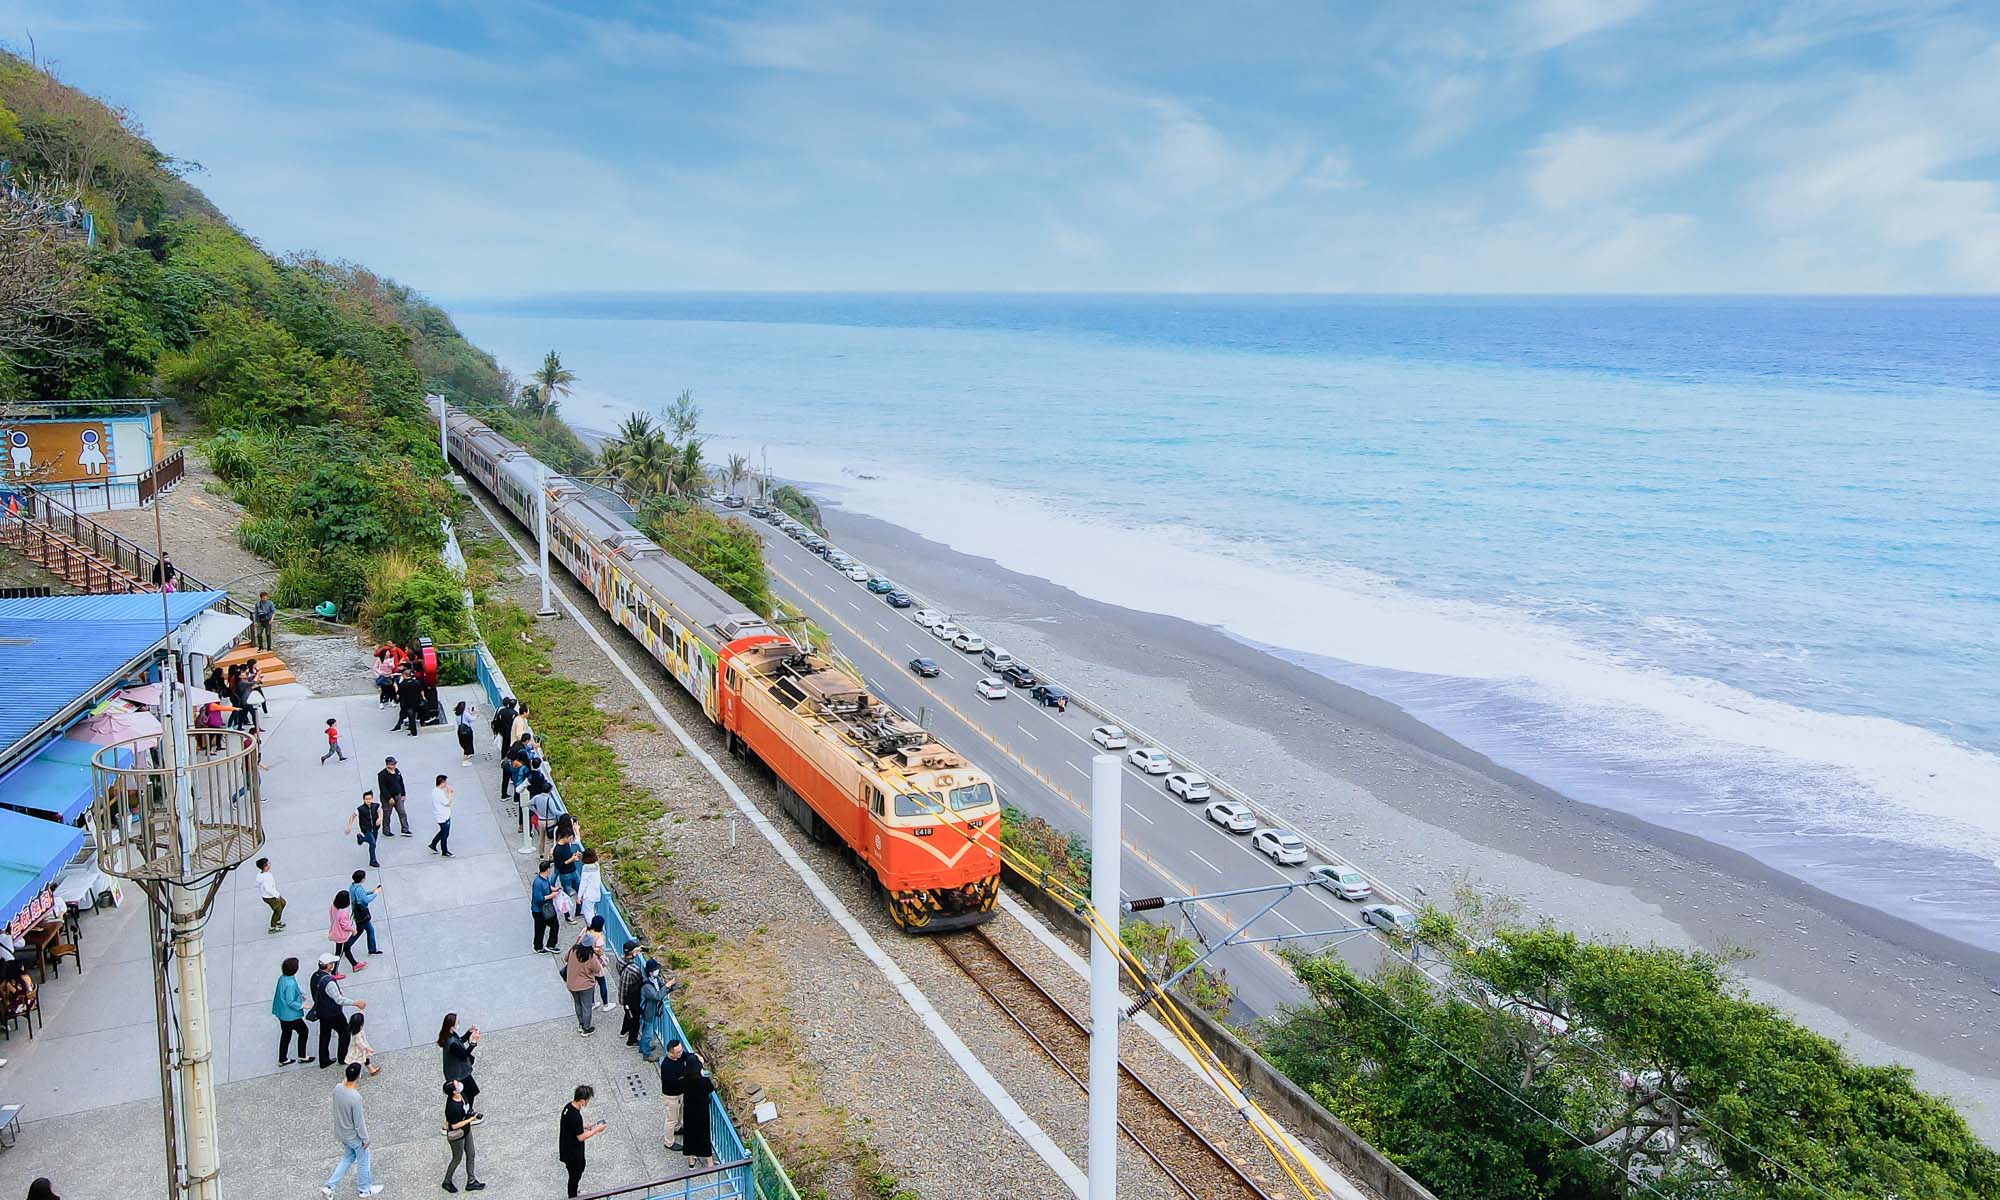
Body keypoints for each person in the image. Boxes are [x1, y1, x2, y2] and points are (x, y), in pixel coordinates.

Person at [324, 1062, 383, 1198]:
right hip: (354, 1137)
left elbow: (344, 1082)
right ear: (359, 1076)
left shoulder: (337, 1089)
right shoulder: (355, 1098)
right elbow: (359, 1123)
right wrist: (365, 1139)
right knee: (363, 1161)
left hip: (342, 1133)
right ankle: (364, 1189)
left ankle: (330, 1186)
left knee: (348, 1157)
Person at [311, 954, 365, 1068]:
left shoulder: (315, 976)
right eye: (331, 963)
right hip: (333, 1013)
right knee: (344, 1034)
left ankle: (324, 1060)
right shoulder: (329, 982)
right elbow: (339, 1000)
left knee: (325, 1035)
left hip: (321, 1011)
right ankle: (342, 1057)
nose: (333, 965)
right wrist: (355, 1003)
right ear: (328, 965)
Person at [558, 1084, 607, 1198]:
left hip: (567, 1149)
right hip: (573, 1153)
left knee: (576, 1173)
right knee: (575, 1176)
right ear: (582, 1101)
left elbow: (573, 1126)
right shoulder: (575, 1116)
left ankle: (574, 1192)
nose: (587, 1102)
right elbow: (580, 1137)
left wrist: (586, 1126)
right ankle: (573, 1196)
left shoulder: (568, 1107)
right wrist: (596, 1129)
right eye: (587, 1100)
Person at [441, 1078, 485, 1192]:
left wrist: (470, 1114)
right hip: (457, 1135)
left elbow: (466, 1108)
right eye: (456, 1085)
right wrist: (470, 1119)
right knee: (457, 1158)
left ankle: (471, 1181)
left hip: (466, 1130)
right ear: (453, 1092)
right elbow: (455, 1125)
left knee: (471, 1154)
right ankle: (447, 1181)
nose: (459, 1084)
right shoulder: (452, 1107)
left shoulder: (461, 1095)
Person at [438, 1013, 481, 1109]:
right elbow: (463, 1055)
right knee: (471, 1091)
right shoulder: (451, 1043)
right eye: (457, 1022)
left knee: (468, 1092)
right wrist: (473, 1043)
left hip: (456, 1071)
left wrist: (469, 1032)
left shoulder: (449, 1035)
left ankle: (468, 1110)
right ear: (452, 1026)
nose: (458, 1024)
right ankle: (468, 1112)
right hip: (459, 1073)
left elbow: (460, 1041)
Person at [681, 1052, 716, 1170]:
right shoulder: (704, 1081)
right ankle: (710, 1163)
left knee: (690, 1135)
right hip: (702, 1112)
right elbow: (711, 1089)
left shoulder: (685, 1080)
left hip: (689, 1112)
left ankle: (691, 1161)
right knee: (704, 1136)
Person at [272, 956, 310, 1066]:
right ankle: (302, 1056)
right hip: (290, 1015)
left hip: (281, 1012)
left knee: (286, 1034)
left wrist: (299, 994)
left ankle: (283, 1058)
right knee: (304, 1031)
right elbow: (290, 1001)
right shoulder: (291, 983)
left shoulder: (282, 978)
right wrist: (302, 1005)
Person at [564, 940, 603, 1036]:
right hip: (586, 986)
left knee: (577, 1004)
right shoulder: (591, 956)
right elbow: (597, 969)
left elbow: (565, 958)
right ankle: (586, 1028)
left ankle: (581, 1024)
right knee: (586, 1006)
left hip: (571, 983)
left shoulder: (573, 950)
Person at [658, 1038, 691, 1150]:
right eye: (678, 1052)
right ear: (671, 1052)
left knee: (681, 1113)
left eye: (681, 1050)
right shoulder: (666, 1066)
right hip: (671, 1096)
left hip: (680, 1094)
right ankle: (669, 1142)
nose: (681, 1053)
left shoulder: (680, 1056)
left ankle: (678, 1128)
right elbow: (674, 1083)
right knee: (671, 1119)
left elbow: (688, 1056)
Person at [576, 916, 613, 1011]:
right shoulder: (598, 936)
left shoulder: (585, 930)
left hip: (583, 961)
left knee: (590, 982)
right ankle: (606, 1004)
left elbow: (577, 942)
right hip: (594, 962)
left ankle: (592, 1002)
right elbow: (600, 951)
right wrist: (603, 958)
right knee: (602, 982)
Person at [637, 961, 671, 1062]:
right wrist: (666, 987)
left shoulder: (654, 980)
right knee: (648, 1033)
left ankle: (643, 1047)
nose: (657, 971)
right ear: (650, 972)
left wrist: (669, 987)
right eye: (655, 969)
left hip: (651, 1011)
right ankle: (646, 1054)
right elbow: (657, 996)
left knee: (647, 1032)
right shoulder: (647, 986)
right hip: (648, 1013)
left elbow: (660, 987)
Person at [348, 870, 383, 956]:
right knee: (369, 930)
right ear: (362, 879)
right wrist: (375, 894)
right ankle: (372, 949)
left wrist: (372, 891)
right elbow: (366, 900)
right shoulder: (359, 889)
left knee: (361, 931)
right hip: (362, 914)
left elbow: (362, 895)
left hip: (357, 913)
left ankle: (347, 946)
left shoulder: (353, 886)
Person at [328, 891, 364, 974]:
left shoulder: (333, 907)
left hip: (336, 932)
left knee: (347, 949)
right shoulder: (343, 913)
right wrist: (353, 930)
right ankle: (334, 972)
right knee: (338, 954)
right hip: (341, 936)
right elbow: (345, 926)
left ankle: (355, 964)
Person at [617, 939, 646, 1045]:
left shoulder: (620, 960)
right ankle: (632, 1040)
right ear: (633, 953)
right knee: (635, 1019)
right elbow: (641, 980)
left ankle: (624, 1030)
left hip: (623, 995)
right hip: (632, 998)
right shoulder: (634, 969)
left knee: (627, 1013)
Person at [375, 757, 410, 837]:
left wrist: (403, 794)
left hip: (398, 796)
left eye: (395, 764)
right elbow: (383, 788)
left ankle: (405, 829)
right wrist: (389, 798)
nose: (394, 765)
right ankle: (386, 831)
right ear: (388, 764)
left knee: (402, 812)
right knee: (387, 814)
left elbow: (401, 783)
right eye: (393, 764)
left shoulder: (397, 771)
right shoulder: (382, 775)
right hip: (387, 799)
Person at [345, 791, 382, 869]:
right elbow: (352, 816)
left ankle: (361, 839)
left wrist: (380, 818)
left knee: (373, 843)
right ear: (363, 799)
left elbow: (380, 811)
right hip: (366, 829)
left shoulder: (376, 806)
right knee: (373, 844)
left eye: (369, 799)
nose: (368, 801)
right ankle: (373, 860)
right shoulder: (360, 809)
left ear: (372, 799)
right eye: (366, 799)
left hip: (375, 828)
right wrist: (349, 826)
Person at [530, 861, 560, 954]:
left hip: (547, 908)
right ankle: (538, 947)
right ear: (547, 869)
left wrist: (553, 889)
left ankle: (551, 944)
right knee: (540, 929)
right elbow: (539, 899)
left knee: (555, 925)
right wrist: (552, 895)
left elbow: (547, 886)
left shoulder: (545, 878)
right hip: (539, 910)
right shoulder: (537, 883)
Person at [552, 829, 582, 918]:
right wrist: (571, 860)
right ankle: (567, 916)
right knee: (566, 895)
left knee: (580, 891)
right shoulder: (557, 850)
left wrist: (574, 856)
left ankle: (578, 911)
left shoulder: (566, 845)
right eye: (570, 838)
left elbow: (568, 856)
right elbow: (559, 865)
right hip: (565, 875)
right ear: (565, 837)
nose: (571, 840)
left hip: (573, 871)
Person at [344, 1010, 380, 1077]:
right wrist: (368, 1048)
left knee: (365, 1059)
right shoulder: (357, 1034)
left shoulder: (355, 1030)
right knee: (358, 1062)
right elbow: (360, 1043)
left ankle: (372, 1070)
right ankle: (356, 1074)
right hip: (358, 1051)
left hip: (359, 1050)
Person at [256, 857, 286, 932]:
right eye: (268, 863)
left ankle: (277, 921)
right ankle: (272, 927)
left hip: (271, 895)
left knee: (283, 903)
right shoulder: (266, 877)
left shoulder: (263, 874)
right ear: (265, 867)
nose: (270, 864)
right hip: (270, 897)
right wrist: (276, 895)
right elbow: (268, 889)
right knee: (277, 909)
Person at [428, 774, 454, 856]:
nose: (446, 784)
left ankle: (433, 844)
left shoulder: (435, 791)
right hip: (443, 816)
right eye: (445, 782)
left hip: (442, 815)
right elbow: (447, 803)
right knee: (445, 834)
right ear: (442, 783)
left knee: (442, 832)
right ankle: (444, 851)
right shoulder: (439, 793)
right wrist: (450, 794)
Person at [577, 847, 604, 928]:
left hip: (588, 894)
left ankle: (593, 929)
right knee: (591, 911)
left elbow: (583, 883)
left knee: (588, 914)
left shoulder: (586, 868)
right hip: (596, 892)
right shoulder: (596, 865)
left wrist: (579, 896)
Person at [393, 670, 424, 737]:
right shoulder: (416, 682)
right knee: (404, 714)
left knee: (411, 717)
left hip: (407, 703)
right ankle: (399, 726)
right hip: (416, 702)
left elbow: (398, 693)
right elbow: (421, 690)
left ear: (405, 675)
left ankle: (413, 732)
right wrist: (423, 698)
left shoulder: (402, 684)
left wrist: (395, 686)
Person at [454, 700, 476, 766]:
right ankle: (465, 760)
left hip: (460, 731)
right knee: (468, 743)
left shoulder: (457, 714)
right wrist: (474, 714)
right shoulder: (464, 713)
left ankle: (469, 754)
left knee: (464, 743)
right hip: (467, 731)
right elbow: (472, 719)